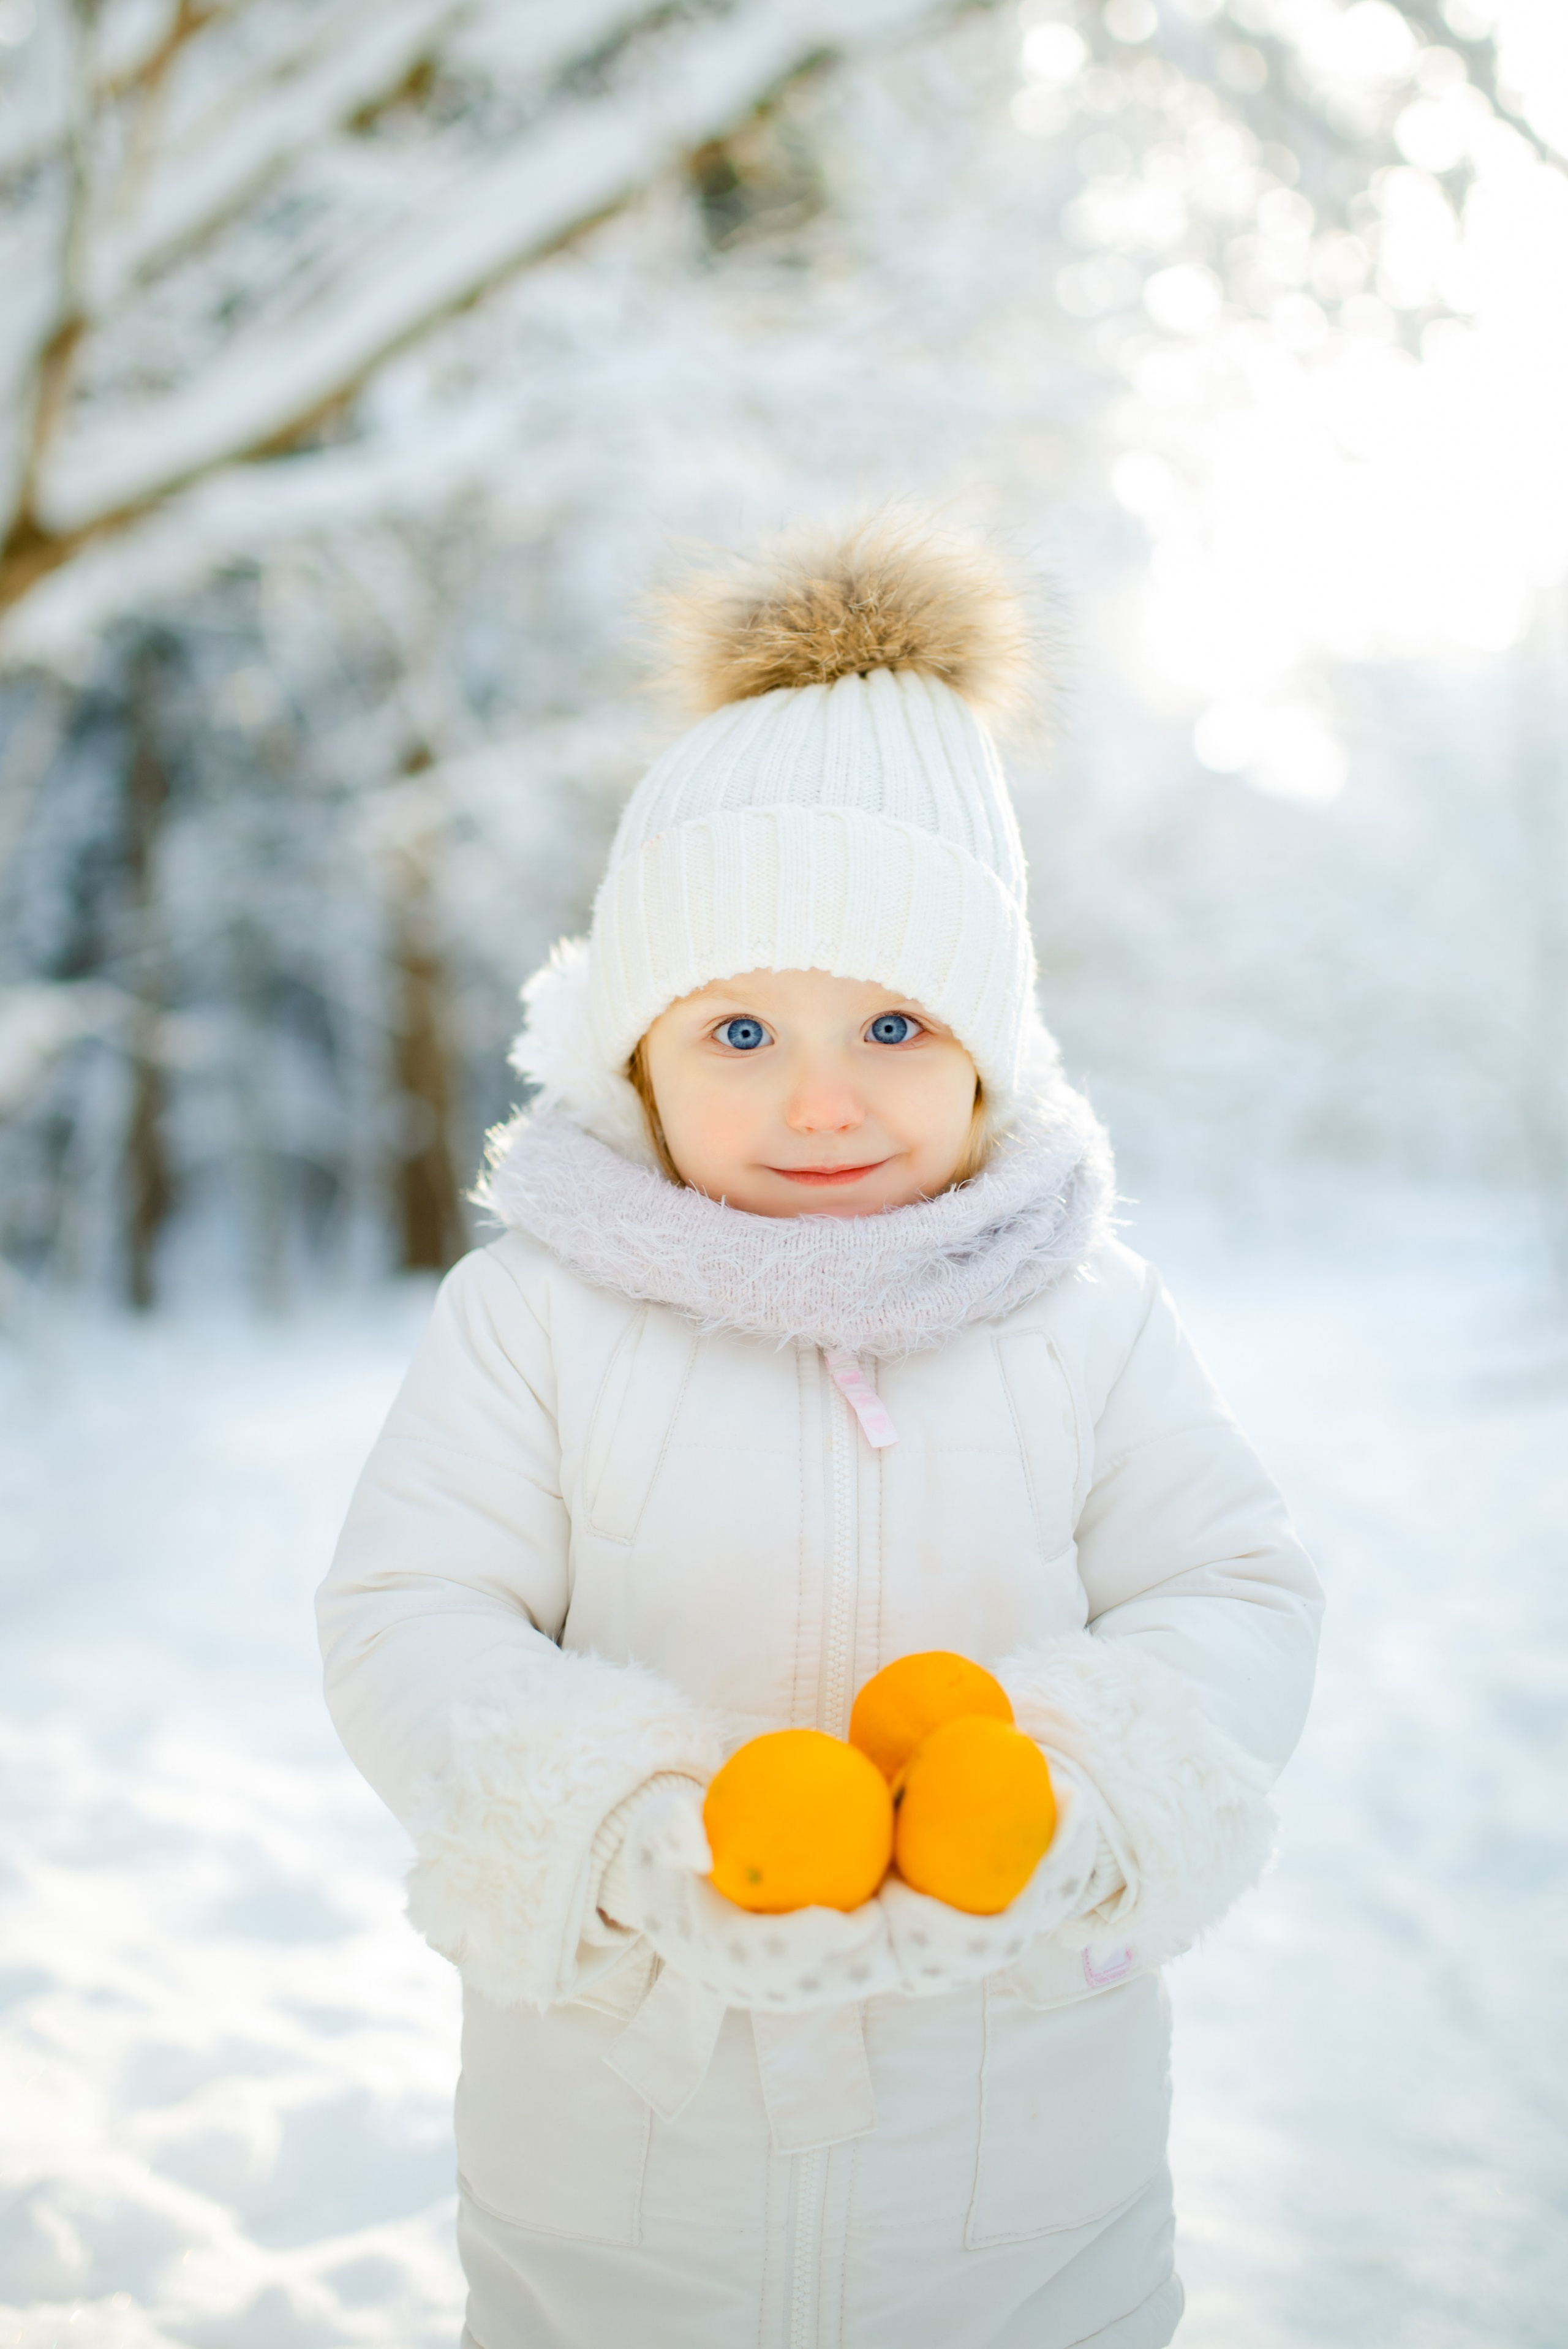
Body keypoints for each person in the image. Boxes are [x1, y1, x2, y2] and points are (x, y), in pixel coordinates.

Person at [317, 517, 1322, 2349]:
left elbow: (1231, 1585)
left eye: (888, 1021)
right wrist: (619, 1821)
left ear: (989, 1053)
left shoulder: (1088, 1321)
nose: (821, 1097)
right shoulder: (538, 1317)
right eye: (739, 1030)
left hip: (1021, 2168)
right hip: (624, 2163)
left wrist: (1074, 1789)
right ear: (636, 1050)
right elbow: (411, 1611)